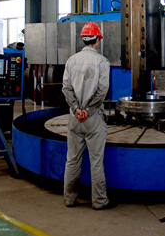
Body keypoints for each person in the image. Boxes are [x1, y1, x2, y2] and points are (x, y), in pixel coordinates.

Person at [62, 21, 115, 210]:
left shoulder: (71, 60)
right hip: (93, 120)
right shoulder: (102, 62)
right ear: (98, 39)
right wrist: (88, 110)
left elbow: (66, 88)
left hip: (75, 118)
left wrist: (77, 109)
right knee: (96, 162)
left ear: (83, 39)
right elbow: (102, 91)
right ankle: (99, 201)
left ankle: (69, 199)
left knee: (72, 160)